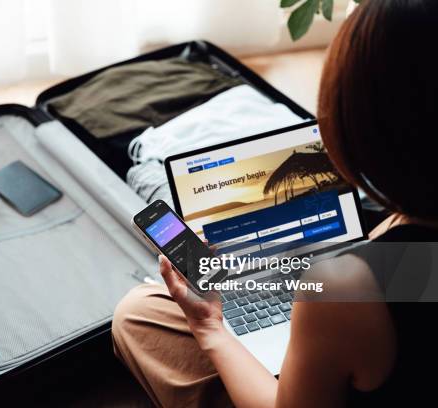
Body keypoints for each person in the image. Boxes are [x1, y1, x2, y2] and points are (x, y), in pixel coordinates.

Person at [112, 1, 438, 407]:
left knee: (137, 314)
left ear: (360, 122)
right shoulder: (409, 226)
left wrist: (209, 326)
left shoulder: (342, 288)